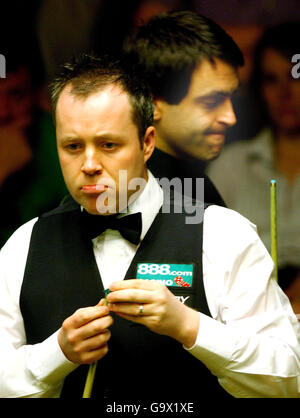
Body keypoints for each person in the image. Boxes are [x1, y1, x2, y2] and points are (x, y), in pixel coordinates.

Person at [0, 53, 300, 400]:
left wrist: (191, 328)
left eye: (108, 144)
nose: (90, 164)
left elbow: (288, 379)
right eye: (73, 147)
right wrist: (57, 353)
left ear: (147, 143)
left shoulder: (222, 235)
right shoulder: (24, 245)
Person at [207, 22, 300, 314]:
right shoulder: (231, 165)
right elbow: (203, 259)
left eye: (294, 77)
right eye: (271, 80)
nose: (284, 93)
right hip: (248, 315)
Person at [123, 10, 244, 206]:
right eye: (211, 102)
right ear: (152, 103)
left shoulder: (190, 183)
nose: (230, 117)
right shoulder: (127, 196)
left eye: (232, 97)